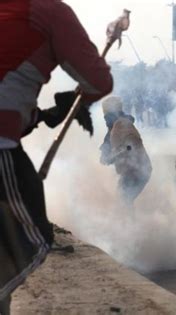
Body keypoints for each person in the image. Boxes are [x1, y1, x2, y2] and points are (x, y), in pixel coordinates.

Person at [0, 0, 113, 313]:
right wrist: (78, 100)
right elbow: (98, 80)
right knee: (33, 238)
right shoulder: (48, 11)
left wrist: (42, 115)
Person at [100, 96, 152, 205]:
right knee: (123, 199)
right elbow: (105, 151)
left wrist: (116, 154)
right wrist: (105, 156)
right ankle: (128, 220)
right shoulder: (114, 127)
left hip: (137, 171)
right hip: (130, 172)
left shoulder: (123, 125)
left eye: (107, 115)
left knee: (123, 200)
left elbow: (132, 142)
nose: (105, 118)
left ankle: (129, 221)